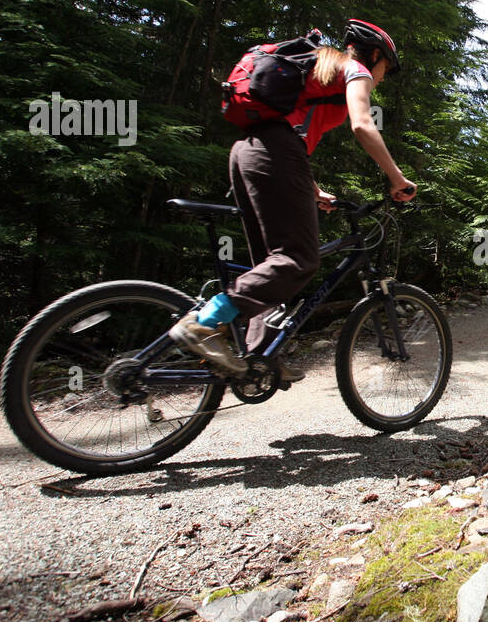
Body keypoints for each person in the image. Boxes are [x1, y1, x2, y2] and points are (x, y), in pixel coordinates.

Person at [170, 19, 416, 381]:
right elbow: (363, 125)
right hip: (273, 153)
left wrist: (312, 189)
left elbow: (290, 132)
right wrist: (398, 179)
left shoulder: (319, 67)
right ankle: (203, 323)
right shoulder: (354, 69)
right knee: (298, 259)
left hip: (247, 151)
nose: (381, 79)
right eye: (386, 70)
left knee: (271, 269)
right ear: (375, 55)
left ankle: (257, 360)